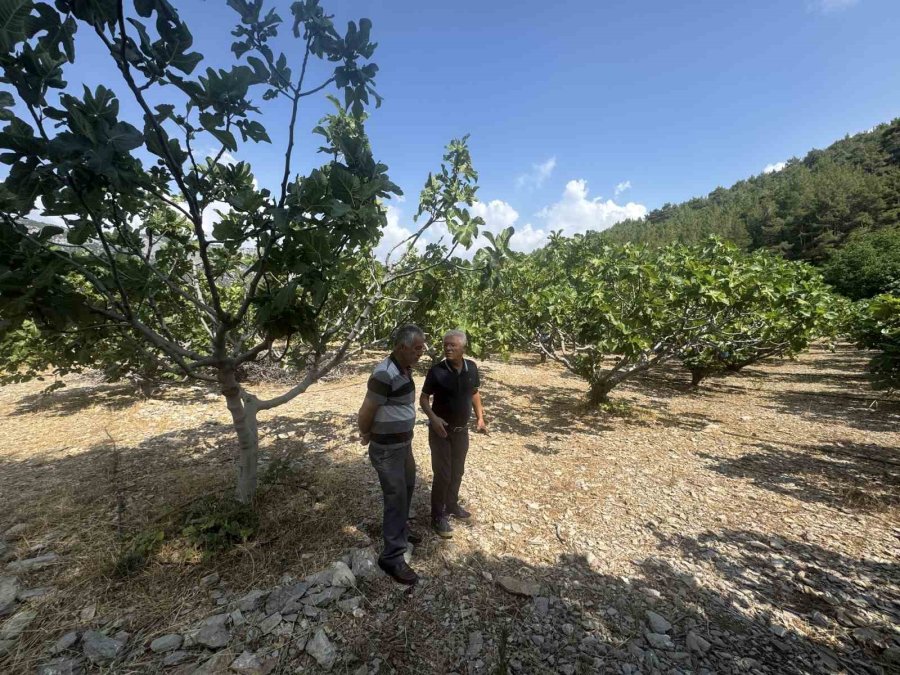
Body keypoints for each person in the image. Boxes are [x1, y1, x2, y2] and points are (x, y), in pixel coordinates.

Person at [357, 325, 426, 585]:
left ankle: (401, 531)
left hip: (403, 445)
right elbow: (367, 410)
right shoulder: (384, 374)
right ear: (401, 347)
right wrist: (365, 432)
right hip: (387, 449)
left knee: (407, 487)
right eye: (417, 348)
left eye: (422, 347)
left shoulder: (404, 369)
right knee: (395, 496)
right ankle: (392, 557)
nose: (421, 352)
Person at [420, 329, 487, 539]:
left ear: (463, 348)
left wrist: (480, 418)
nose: (448, 348)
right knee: (443, 474)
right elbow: (423, 399)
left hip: (461, 432)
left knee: (458, 471)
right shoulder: (437, 371)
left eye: (453, 345)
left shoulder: (472, 368)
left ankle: (451, 505)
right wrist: (433, 418)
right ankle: (437, 516)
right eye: (445, 345)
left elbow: (474, 393)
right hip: (440, 432)